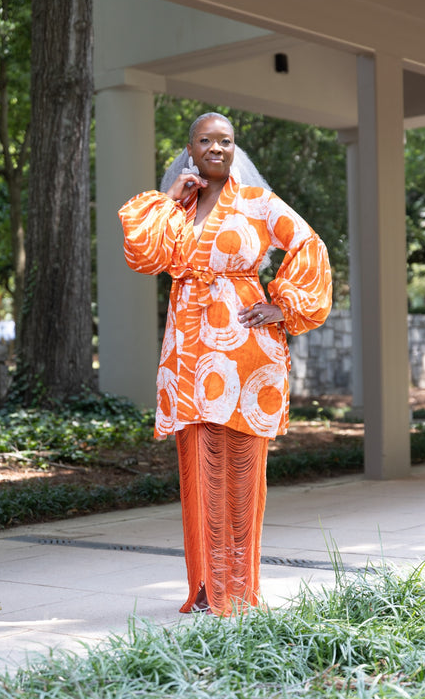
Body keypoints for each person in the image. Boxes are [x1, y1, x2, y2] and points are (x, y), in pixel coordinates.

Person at [118, 112, 332, 616]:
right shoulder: (178, 208)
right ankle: (206, 588)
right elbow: (142, 254)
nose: (217, 148)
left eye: (226, 141)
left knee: (239, 469)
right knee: (197, 469)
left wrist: (285, 304)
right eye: (206, 140)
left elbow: (309, 244)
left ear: (235, 149)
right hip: (187, 357)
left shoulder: (258, 203)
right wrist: (170, 198)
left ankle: (238, 589)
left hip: (243, 352)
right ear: (190, 149)